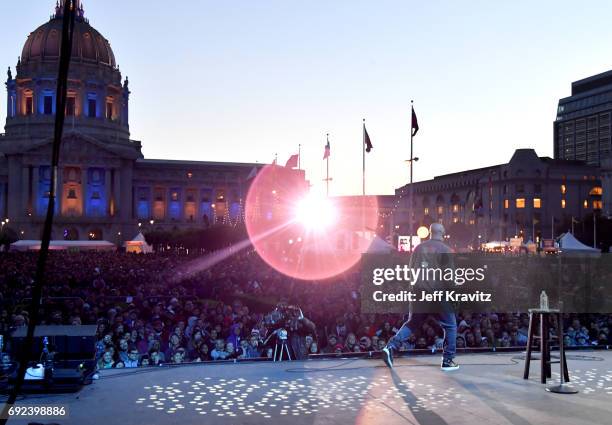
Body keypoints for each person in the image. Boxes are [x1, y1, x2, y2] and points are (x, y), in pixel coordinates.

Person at [382, 223, 460, 371]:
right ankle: (448, 361)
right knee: (450, 326)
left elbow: (410, 270)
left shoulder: (418, 248)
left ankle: (390, 347)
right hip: (438, 294)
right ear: (442, 232)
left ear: (430, 232)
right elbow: (449, 276)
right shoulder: (445, 250)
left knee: (412, 323)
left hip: (418, 293)